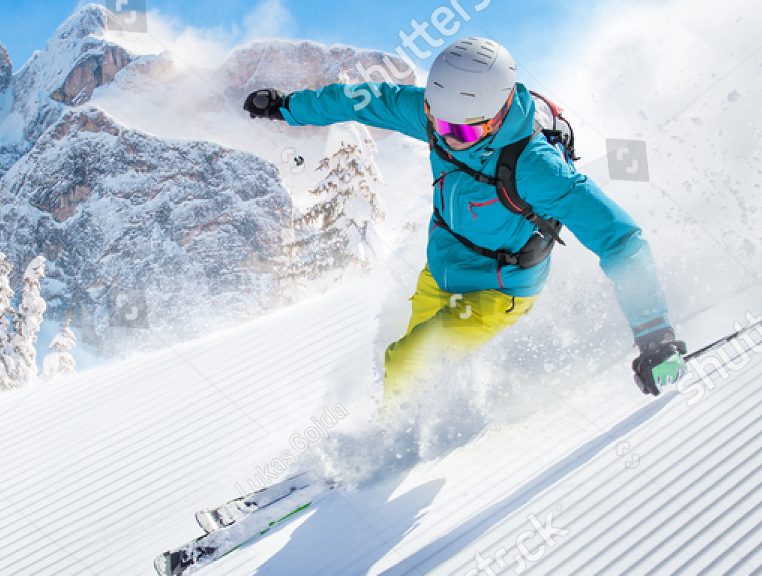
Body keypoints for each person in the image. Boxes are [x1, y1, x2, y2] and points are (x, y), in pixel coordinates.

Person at [244, 36, 685, 404]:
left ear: (500, 110)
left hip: (500, 288)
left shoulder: (536, 167)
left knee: (407, 361)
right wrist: (287, 108)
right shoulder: (439, 119)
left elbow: (620, 240)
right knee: (408, 361)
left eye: (467, 130)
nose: (451, 139)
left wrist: (654, 335)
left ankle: (386, 450)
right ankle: (415, 414)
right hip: (440, 269)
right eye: (440, 124)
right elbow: (362, 101)